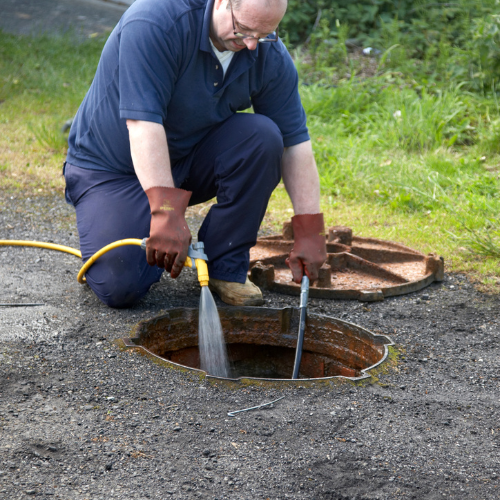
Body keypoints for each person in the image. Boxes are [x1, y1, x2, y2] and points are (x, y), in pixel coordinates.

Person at [64, 0, 326, 308]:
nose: (252, 44)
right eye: (242, 29)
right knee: (120, 286)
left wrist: (310, 229)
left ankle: (225, 266)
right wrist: (167, 212)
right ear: (221, 2)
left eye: (265, 33)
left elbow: (294, 143)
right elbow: (143, 124)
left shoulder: (265, 52)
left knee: (263, 137)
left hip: (187, 159)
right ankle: (148, 224)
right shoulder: (155, 23)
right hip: (112, 170)